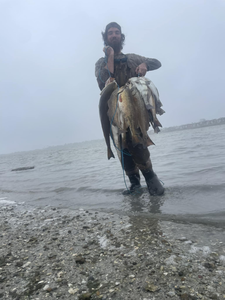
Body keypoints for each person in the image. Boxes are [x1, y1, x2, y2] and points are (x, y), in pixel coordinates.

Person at [95, 22, 164, 196]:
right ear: (106, 37)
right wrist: (109, 56)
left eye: (117, 32)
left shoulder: (132, 58)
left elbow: (157, 62)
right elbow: (104, 80)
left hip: (135, 112)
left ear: (121, 36)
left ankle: (151, 179)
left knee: (138, 145)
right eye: (110, 33)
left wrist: (145, 65)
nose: (114, 35)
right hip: (113, 114)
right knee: (123, 150)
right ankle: (134, 185)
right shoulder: (99, 63)